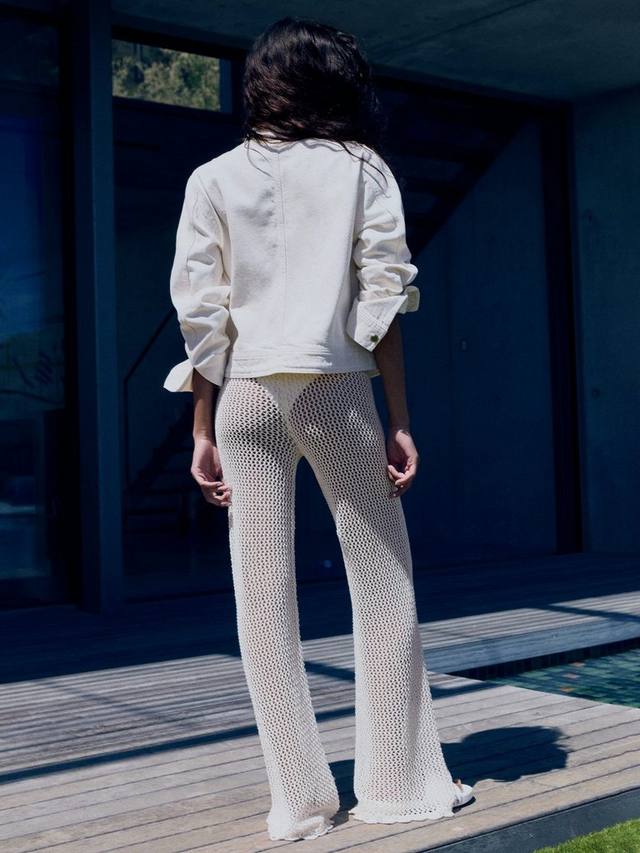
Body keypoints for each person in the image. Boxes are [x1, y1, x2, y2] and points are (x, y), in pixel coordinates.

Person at [163, 15, 474, 842]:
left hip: (246, 396)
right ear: (336, 84)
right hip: (335, 388)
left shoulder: (211, 178)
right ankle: (397, 785)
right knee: (382, 581)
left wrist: (202, 428)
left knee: (260, 598)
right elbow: (385, 299)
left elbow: (203, 320)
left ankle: (300, 801)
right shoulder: (361, 168)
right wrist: (399, 416)